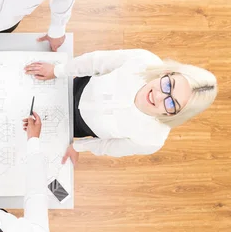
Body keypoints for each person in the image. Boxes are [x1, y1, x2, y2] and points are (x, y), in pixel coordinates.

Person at [24, 49, 218, 163]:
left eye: (171, 103)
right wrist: (58, 71)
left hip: (77, 127)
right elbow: (95, 62)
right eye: (168, 84)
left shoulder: (151, 140)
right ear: (167, 73)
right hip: (75, 87)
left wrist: (77, 146)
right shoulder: (142, 60)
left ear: (176, 114)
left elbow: (108, 146)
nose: (158, 95)